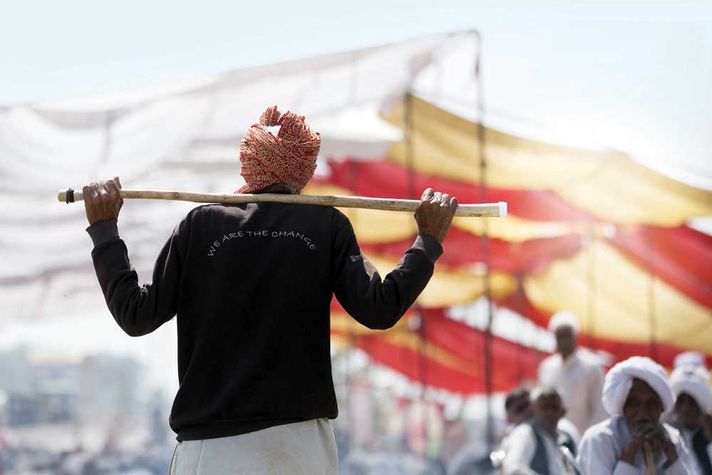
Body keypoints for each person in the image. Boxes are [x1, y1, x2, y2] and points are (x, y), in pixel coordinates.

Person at [81, 106, 458, 474]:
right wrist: (427, 242)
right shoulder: (326, 226)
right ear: (304, 172)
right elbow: (379, 309)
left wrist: (104, 230)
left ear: (249, 160)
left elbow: (135, 315)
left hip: (213, 451)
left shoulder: (201, 225)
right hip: (299, 447)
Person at [577, 356, 698, 474]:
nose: (643, 412)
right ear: (623, 406)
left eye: (652, 404)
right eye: (634, 403)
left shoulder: (673, 439)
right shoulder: (600, 439)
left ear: (661, 407)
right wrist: (628, 457)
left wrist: (673, 459)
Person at [537, 311, 606, 435]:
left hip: (584, 438)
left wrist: (588, 438)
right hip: (555, 438)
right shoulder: (547, 368)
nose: (563, 341)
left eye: (567, 336)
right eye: (559, 336)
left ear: (575, 337)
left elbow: (600, 408)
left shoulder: (592, 367)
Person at [501, 386, 579, 475]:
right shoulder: (525, 433)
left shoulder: (567, 437)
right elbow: (513, 469)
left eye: (554, 407)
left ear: (562, 412)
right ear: (533, 411)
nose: (549, 412)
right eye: (544, 407)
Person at [669, 364, 712, 474]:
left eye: (691, 402)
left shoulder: (708, 433)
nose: (685, 408)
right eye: (681, 401)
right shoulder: (668, 436)